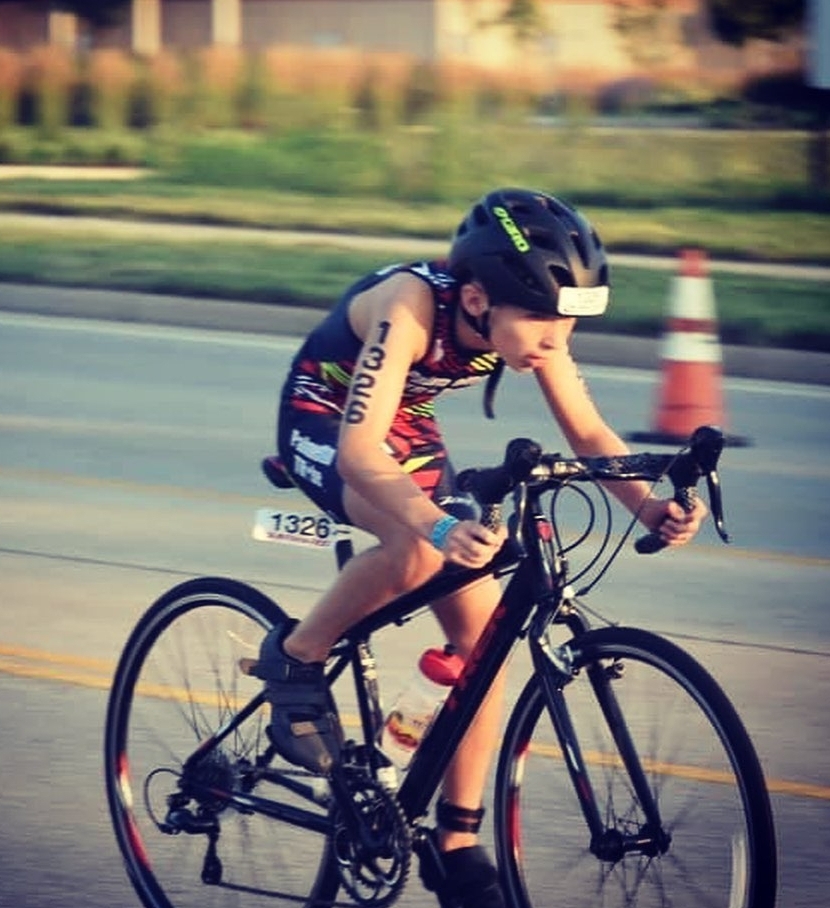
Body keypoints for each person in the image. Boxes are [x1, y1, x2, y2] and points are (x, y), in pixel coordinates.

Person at [256, 187, 708, 908]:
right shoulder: (407, 307)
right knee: (417, 549)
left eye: (566, 327)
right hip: (329, 419)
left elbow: (588, 433)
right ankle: (296, 657)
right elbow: (359, 450)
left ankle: (456, 840)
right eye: (540, 322)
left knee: (486, 637)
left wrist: (652, 508)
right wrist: (434, 523)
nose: (553, 342)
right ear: (474, 300)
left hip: (405, 426)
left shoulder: (535, 329)